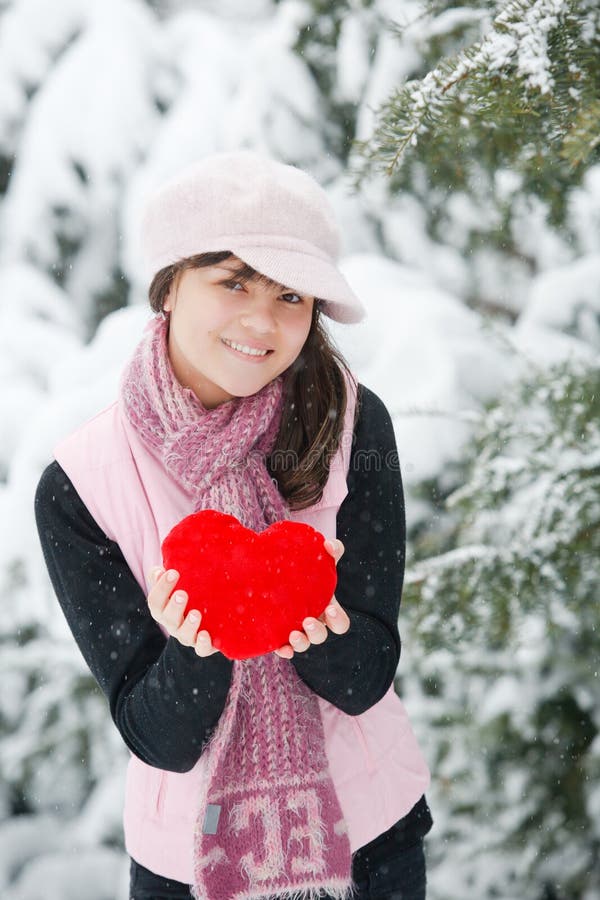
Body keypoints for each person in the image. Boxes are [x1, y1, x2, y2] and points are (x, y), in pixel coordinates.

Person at [35, 151, 433, 900]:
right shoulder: (81, 485)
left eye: (291, 294)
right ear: (169, 286)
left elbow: (367, 676)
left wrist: (315, 621)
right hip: (189, 866)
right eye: (232, 282)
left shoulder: (349, 422)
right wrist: (198, 646)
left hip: (369, 845)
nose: (262, 319)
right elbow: (160, 737)